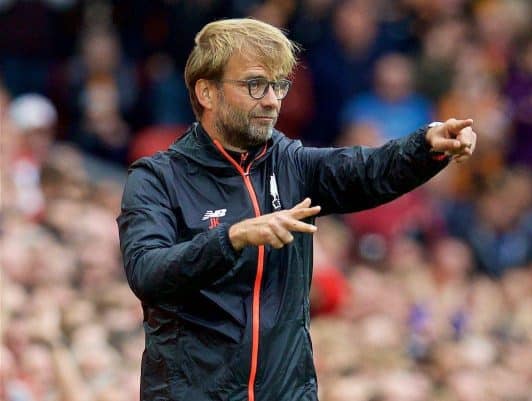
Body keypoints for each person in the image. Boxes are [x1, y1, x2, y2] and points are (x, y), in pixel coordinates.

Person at [117, 18, 477, 401]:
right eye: (255, 84)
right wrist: (231, 238)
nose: (272, 100)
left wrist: (426, 146)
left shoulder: (289, 162)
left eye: (278, 85)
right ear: (207, 92)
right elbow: (147, 271)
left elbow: (366, 171)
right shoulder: (158, 178)